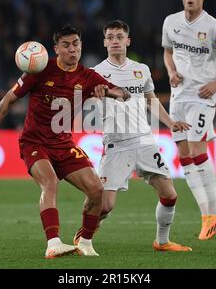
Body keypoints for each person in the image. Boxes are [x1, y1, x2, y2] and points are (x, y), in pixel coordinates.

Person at [0, 24, 131, 258]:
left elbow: (123, 92)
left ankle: (86, 243)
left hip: (63, 144)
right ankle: (53, 243)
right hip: (34, 142)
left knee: (96, 190)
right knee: (49, 182)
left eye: (76, 44)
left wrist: (109, 91)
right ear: (56, 49)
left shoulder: (88, 77)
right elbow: (8, 101)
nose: (72, 50)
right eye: (66, 45)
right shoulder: (40, 71)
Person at [73, 20, 192, 252]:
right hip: (117, 144)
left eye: (119, 36)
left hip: (145, 141)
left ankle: (162, 241)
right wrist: (93, 98)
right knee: (105, 206)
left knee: (169, 195)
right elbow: (81, 104)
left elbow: (150, 100)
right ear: (105, 42)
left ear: (128, 41)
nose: (115, 40)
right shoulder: (95, 73)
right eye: (110, 37)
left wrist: (169, 123)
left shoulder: (142, 69)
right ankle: (84, 232)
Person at [162, 0, 216, 240]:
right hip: (179, 95)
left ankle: (211, 212)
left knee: (197, 148)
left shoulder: (215, 27)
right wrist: (171, 71)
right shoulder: (171, 22)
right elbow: (168, 51)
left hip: (204, 95)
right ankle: (208, 214)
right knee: (184, 153)